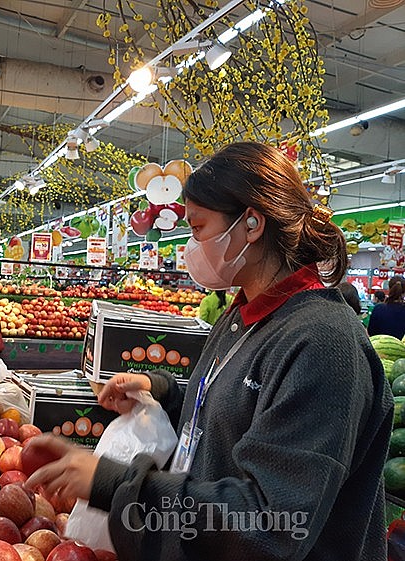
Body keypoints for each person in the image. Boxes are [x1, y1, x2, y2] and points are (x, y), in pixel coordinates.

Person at [24, 142, 393, 560]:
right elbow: (224, 413)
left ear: (251, 224)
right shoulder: (241, 315)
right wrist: (159, 390)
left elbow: (273, 519)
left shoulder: (323, 344)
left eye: (198, 228)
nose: (191, 246)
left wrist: (117, 484)